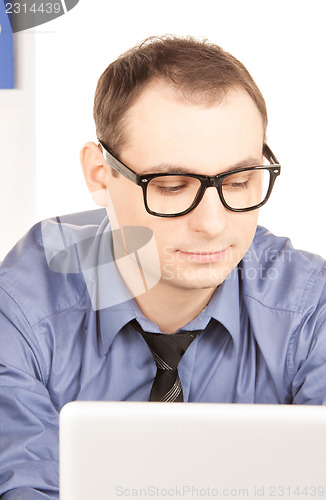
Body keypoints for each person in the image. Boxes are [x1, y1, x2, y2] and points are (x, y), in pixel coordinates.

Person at [0, 34, 326, 499]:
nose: (213, 224)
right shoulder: (22, 306)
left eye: (238, 181)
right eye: (172, 186)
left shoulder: (311, 307)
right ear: (100, 175)